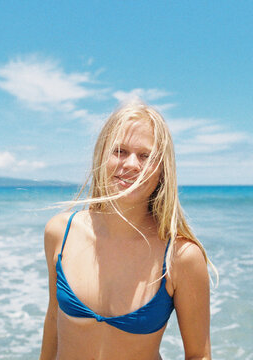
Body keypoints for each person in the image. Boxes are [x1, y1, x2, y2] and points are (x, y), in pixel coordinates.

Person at [39, 100, 215, 360]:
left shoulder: (180, 257)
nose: (132, 164)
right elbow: (54, 319)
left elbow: (199, 355)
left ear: (162, 170)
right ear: (102, 157)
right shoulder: (60, 233)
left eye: (146, 156)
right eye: (119, 151)